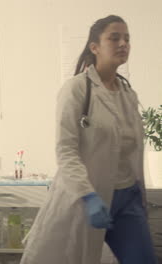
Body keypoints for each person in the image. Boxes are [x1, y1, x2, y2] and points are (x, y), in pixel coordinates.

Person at [20, 15, 157, 264]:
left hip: (127, 199)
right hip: (85, 197)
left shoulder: (128, 94)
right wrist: (88, 196)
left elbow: (131, 150)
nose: (123, 43)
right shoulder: (77, 89)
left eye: (127, 38)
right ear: (94, 47)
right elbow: (66, 151)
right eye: (114, 38)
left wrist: (138, 193)